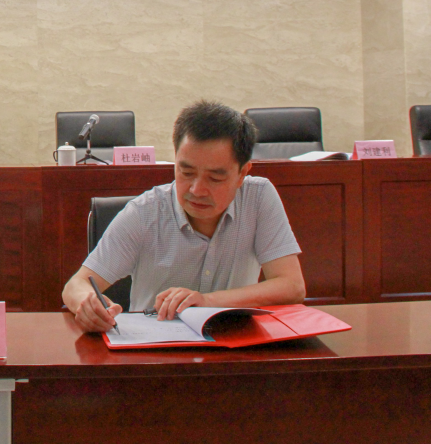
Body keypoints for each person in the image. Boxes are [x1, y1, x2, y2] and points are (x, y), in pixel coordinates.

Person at [62, 100, 306, 332]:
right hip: (155, 348)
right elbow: (76, 285)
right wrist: (88, 304)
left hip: (234, 346)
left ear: (242, 174)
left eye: (215, 178)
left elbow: (292, 286)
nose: (197, 190)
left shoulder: (258, 197)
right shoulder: (144, 212)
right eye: (186, 172)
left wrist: (208, 301)